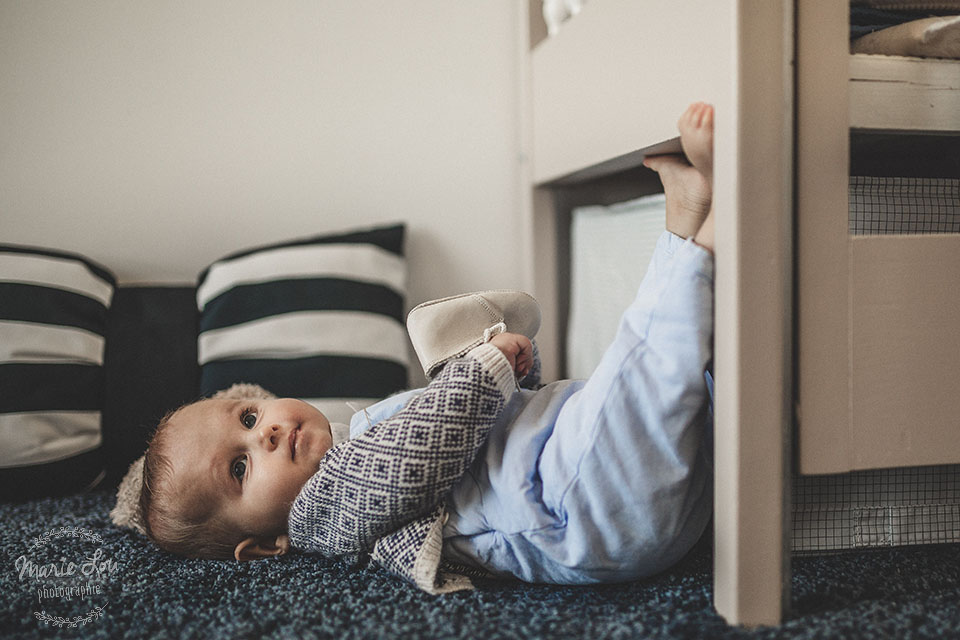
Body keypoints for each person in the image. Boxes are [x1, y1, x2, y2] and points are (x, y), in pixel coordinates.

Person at [120, 102, 717, 593]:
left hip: (583, 474)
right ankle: (709, 235)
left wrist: (515, 382)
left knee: (653, 377)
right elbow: (416, 459)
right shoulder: (323, 510)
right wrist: (484, 373)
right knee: (644, 362)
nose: (266, 434)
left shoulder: (354, 443)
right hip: (576, 501)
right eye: (241, 467)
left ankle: (686, 228)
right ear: (265, 546)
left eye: (249, 418)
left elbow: (467, 436)